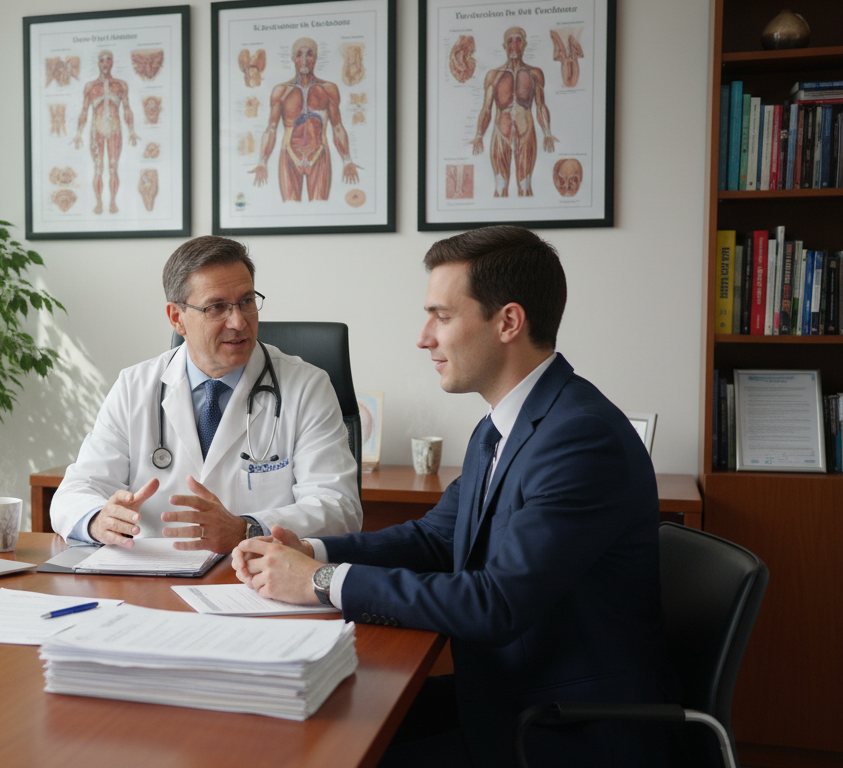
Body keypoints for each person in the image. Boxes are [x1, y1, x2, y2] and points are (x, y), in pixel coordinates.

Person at [233, 226, 675, 767]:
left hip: (562, 728)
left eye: (441, 316)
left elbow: (496, 603)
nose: (424, 338)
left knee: (327, 754)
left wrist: (321, 582)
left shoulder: (580, 438)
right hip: (501, 694)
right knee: (303, 725)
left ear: (508, 322)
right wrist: (313, 551)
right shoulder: (504, 425)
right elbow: (435, 538)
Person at [50, 235, 362, 554]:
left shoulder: (307, 386)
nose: (238, 321)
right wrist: (97, 520)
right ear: (177, 318)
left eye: (246, 301)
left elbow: (339, 508)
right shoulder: (134, 387)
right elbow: (75, 491)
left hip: (259, 570)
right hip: (153, 571)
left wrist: (246, 529)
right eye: (217, 307)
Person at [250, 37, 359, 202]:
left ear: (315, 58)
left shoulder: (328, 89)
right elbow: (271, 128)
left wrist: (347, 160)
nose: (304, 60)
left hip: (319, 155)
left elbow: (337, 127)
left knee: (320, 205)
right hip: (289, 156)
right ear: (293, 58)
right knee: (289, 207)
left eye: (309, 54)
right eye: (299, 54)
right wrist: (262, 162)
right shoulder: (281, 91)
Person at [471, 28, 557, 198]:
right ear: (505, 46)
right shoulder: (493, 76)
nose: (514, 46)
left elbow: (541, 105)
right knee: (500, 186)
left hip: (526, 134)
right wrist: (479, 135)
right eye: (510, 41)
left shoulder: (534, 74)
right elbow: (486, 108)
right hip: (500, 135)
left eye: (518, 41)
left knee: (524, 186)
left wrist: (547, 132)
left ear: (524, 44)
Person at [73, 49, 139, 214]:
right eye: (101, 60)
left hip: (114, 130)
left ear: (112, 62)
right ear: (98, 63)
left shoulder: (120, 85)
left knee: (113, 167)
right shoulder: (90, 87)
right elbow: (84, 111)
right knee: (98, 168)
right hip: (97, 130)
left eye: (108, 59)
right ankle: (99, 203)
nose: (105, 63)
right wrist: (79, 133)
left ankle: (113, 202)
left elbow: (127, 109)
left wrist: (131, 130)